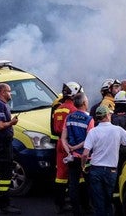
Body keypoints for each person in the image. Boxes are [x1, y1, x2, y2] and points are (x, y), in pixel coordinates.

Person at [0, 83, 21, 214]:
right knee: (5, 174)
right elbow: (0, 125)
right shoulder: (0, 105)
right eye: (9, 91)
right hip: (2, 144)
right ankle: (4, 204)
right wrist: (12, 123)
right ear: (1, 92)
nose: (10, 93)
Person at [61, 92, 94, 216]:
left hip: (72, 157)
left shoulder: (68, 117)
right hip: (86, 158)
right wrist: (77, 147)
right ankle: (89, 208)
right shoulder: (89, 119)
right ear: (84, 103)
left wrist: (69, 149)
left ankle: (76, 211)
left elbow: (63, 138)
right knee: (89, 184)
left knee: (73, 185)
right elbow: (89, 139)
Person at [52, 81, 83, 214]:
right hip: (72, 145)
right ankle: (80, 203)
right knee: (79, 174)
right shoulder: (74, 110)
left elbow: (55, 128)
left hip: (60, 143)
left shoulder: (58, 108)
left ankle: (60, 204)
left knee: (60, 175)